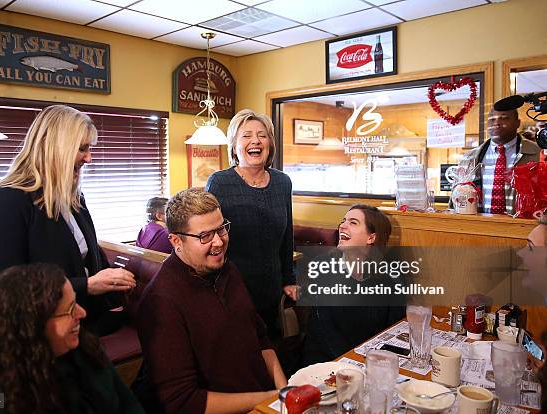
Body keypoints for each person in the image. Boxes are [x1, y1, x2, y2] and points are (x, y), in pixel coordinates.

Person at [0, 105, 135, 335]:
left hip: (74, 329)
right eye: (82, 149)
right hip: (29, 339)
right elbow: (3, 290)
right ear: (55, 148)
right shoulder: (7, 201)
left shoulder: (74, 199)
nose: (89, 158)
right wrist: (87, 286)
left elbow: (88, 259)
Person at [134, 188, 286, 414]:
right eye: (205, 235)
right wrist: (270, 399)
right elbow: (183, 401)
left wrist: (285, 391)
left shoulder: (228, 269)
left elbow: (260, 337)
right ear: (176, 240)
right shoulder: (161, 300)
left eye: (222, 229)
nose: (218, 242)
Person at [0, 263, 144, 414]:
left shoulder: (87, 351)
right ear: (32, 326)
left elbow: (128, 405)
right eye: (70, 309)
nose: (82, 313)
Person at [206, 109, 296, 338]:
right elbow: (209, 236)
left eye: (262, 135)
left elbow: (287, 238)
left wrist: (289, 280)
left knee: (272, 351)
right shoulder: (219, 182)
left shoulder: (282, 182)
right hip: (232, 292)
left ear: (270, 143)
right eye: (246, 135)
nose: (255, 140)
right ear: (234, 145)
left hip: (273, 292)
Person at [302, 205, 404, 366]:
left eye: (353, 222)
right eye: (343, 221)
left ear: (371, 238)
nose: (342, 225)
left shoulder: (390, 275)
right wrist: (353, 364)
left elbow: (395, 326)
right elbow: (323, 333)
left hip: (372, 361)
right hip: (329, 362)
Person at [459, 99, 540, 214]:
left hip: (523, 226)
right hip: (479, 225)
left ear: (518, 123)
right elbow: (458, 199)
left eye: (504, 118)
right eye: (492, 119)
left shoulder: (537, 153)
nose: (497, 123)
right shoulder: (469, 158)